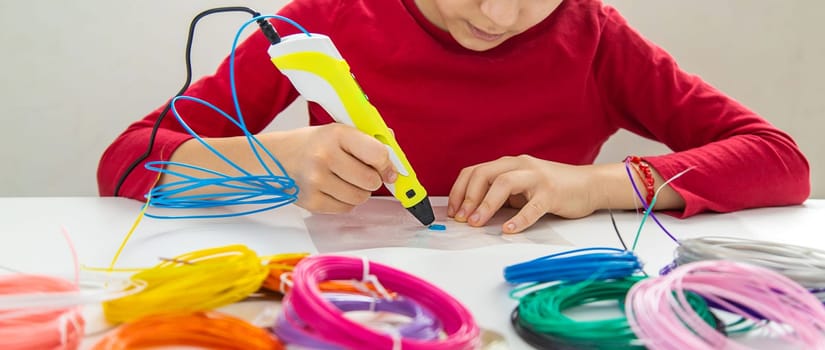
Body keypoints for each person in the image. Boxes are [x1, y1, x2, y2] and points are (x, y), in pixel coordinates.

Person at [97, 0, 810, 234]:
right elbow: (126, 157)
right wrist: (270, 162)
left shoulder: (592, 33)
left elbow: (778, 160)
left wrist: (593, 186)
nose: (496, 16)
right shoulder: (325, 18)